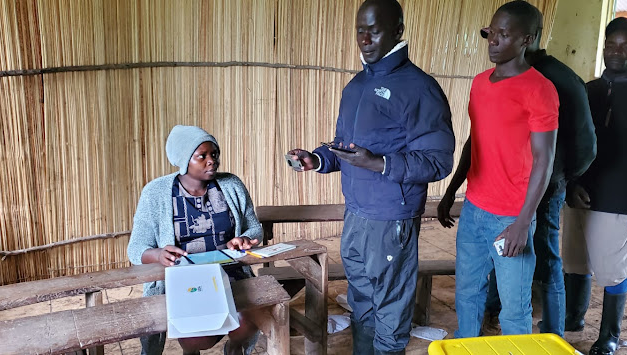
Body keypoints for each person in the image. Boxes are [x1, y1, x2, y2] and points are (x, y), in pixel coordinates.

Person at [286, 0, 455, 352]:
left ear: (397, 31)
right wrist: (317, 159)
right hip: (356, 216)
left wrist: (380, 163)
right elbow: (346, 149)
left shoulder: (419, 89)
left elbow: (438, 162)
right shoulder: (356, 86)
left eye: (373, 30)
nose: (364, 38)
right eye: (360, 30)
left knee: (390, 311)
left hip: (390, 219)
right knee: (361, 302)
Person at [443, 2, 597, 337]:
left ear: (526, 39)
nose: (492, 41)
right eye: (490, 33)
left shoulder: (540, 90)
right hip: (474, 210)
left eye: (503, 34)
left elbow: (544, 159)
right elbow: (476, 140)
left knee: (515, 311)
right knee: (467, 295)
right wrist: (452, 190)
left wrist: (522, 223)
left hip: (510, 217)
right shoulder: (480, 83)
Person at [562, 17, 627, 355]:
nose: (617, 51)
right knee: (575, 261)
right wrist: (571, 183)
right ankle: (573, 318)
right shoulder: (588, 90)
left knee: (614, 267)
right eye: (611, 45)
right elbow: (572, 142)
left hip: (621, 198)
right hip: (581, 192)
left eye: (625, 46)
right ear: (603, 47)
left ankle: (608, 334)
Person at [127, 125, 263, 355]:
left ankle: (235, 349)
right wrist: (159, 254)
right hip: (183, 278)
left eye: (214, 154)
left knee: (247, 322)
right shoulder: (156, 193)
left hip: (229, 272)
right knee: (196, 336)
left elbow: (255, 228)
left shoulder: (231, 185)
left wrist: (245, 238)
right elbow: (136, 248)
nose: (212, 161)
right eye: (202, 156)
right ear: (183, 160)